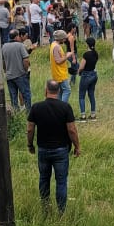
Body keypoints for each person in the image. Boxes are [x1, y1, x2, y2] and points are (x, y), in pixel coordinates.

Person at [28, 79, 80, 214]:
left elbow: (30, 129)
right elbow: (72, 130)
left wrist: (30, 144)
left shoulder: (36, 107)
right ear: (59, 91)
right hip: (61, 150)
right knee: (61, 181)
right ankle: (61, 211)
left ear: (46, 90)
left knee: (44, 178)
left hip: (43, 149)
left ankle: (45, 207)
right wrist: (77, 146)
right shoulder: (65, 107)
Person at [3, 28, 32, 112]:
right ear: (16, 37)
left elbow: (3, 61)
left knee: (13, 97)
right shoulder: (20, 45)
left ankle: (15, 114)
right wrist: (25, 70)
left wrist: (6, 70)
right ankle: (29, 113)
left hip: (9, 76)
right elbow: (26, 59)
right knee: (26, 94)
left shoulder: (4, 46)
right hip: (20, 74)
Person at [77, 37, 100, 121]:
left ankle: (83, 116)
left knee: (81, 96)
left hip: (86, 75)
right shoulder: (96, 53)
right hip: (94, 74)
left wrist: (79, 71)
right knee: (91, 94)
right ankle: (93, 114)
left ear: (87, 44)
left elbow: (82, 66)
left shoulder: (86, 54)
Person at [49, 30, 73, 103]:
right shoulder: (56, 47)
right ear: (60, 39)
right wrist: (67, 56)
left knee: (60, 92)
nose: (65, 40)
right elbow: (58, 61)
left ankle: (58, 107)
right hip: (60, 73)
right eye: (64, 38)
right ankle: (62, 107)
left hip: (58, 72)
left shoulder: (53, 44)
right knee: (67, 90)